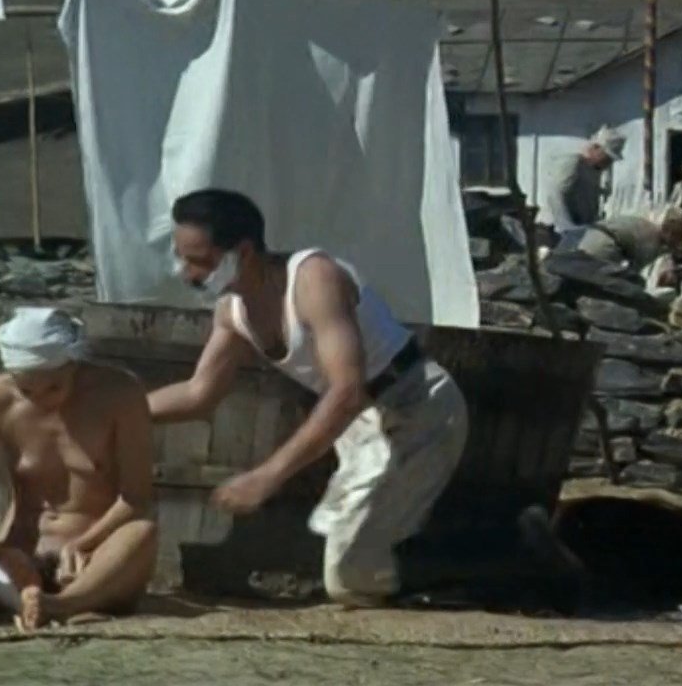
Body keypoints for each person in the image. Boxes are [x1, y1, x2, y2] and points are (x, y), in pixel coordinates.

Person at [146, 188, 473, 607]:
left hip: (417, 406)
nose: (188, 274)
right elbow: (199, 393)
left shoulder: (314, 279)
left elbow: (347, 389)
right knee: (350, 557)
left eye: (201, 261)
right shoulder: (232, 312)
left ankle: (481, 576)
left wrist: (267, 475)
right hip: (362, 424)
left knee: (352, 566)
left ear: (243, 252)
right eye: (182, 259)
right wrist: (116, 411)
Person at [0, 307, 158, 630]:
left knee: (142, 533)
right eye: (27, 390)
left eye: (54, 387)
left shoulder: (120, 393)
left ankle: (62, 604)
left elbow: (136, 498)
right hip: (23, 552)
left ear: (73, 364)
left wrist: (83, 544)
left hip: (94, 556)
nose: (41, 399)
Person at [538, 126, 626, 235]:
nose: (608, 163)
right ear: (596, 148)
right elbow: (555, 194)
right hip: (554, 230)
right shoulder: (574, 162)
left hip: (579, 229)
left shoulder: (593, 171)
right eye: (606, 157)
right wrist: (567, 228)